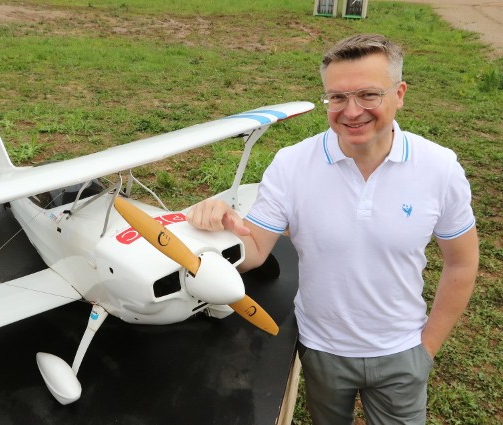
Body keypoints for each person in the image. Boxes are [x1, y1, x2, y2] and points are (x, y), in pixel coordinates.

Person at [186, 33, 479, 424]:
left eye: (368, 95)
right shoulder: (291, 164)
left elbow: (461, 263)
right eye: (337, 97)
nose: (351, 111)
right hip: (320, 349)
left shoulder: (440, 168)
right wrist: (216, 230)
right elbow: (253, 251)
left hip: (403, 349)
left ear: (400, 94)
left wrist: (426, 349)